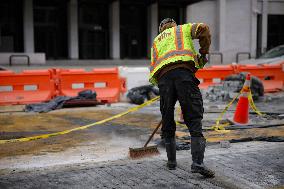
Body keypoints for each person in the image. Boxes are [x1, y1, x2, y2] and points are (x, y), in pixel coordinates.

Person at [149, 18, 214, 178]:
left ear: (160, 29)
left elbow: (154, 67)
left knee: (167, 119)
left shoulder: (156, 42)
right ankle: (197, 163)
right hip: (184, 75)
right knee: (193, 116)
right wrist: (203, 53)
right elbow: (204, 28)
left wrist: (166, 91)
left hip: (164, 81)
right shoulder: (182, 30)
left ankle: (171, 162)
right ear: (173, 25)